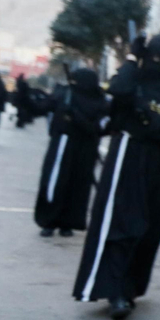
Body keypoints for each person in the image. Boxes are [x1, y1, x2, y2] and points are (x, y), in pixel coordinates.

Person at [73, 33, 160, 320]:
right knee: (121, 223)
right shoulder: (134, 81)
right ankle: (113, 290)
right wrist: (131, 59)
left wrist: (150, 119)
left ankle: (129, 289)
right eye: (154, 59)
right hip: (129, 158)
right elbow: (118, 90)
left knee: (149, 229)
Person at [34, 67, 108, 238]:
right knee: (55, 183)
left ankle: (68, 223)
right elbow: (42, 107)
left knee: (78, 186)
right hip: (63, 145)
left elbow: (100, 127)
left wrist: (76, 117)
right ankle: (49, 221)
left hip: (85, 149)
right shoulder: (65, 95)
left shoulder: (100, 101)